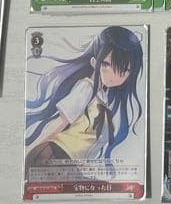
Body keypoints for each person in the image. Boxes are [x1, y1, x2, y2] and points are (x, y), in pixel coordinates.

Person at [25, 26, 145, 169]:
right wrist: (29, 150)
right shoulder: (86, 89)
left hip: (68, 162)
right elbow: (60, 122)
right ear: (94, 62)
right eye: (107, 64)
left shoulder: (102, 98)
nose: (114, 75)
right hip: (54, 155)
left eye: (123, 70)